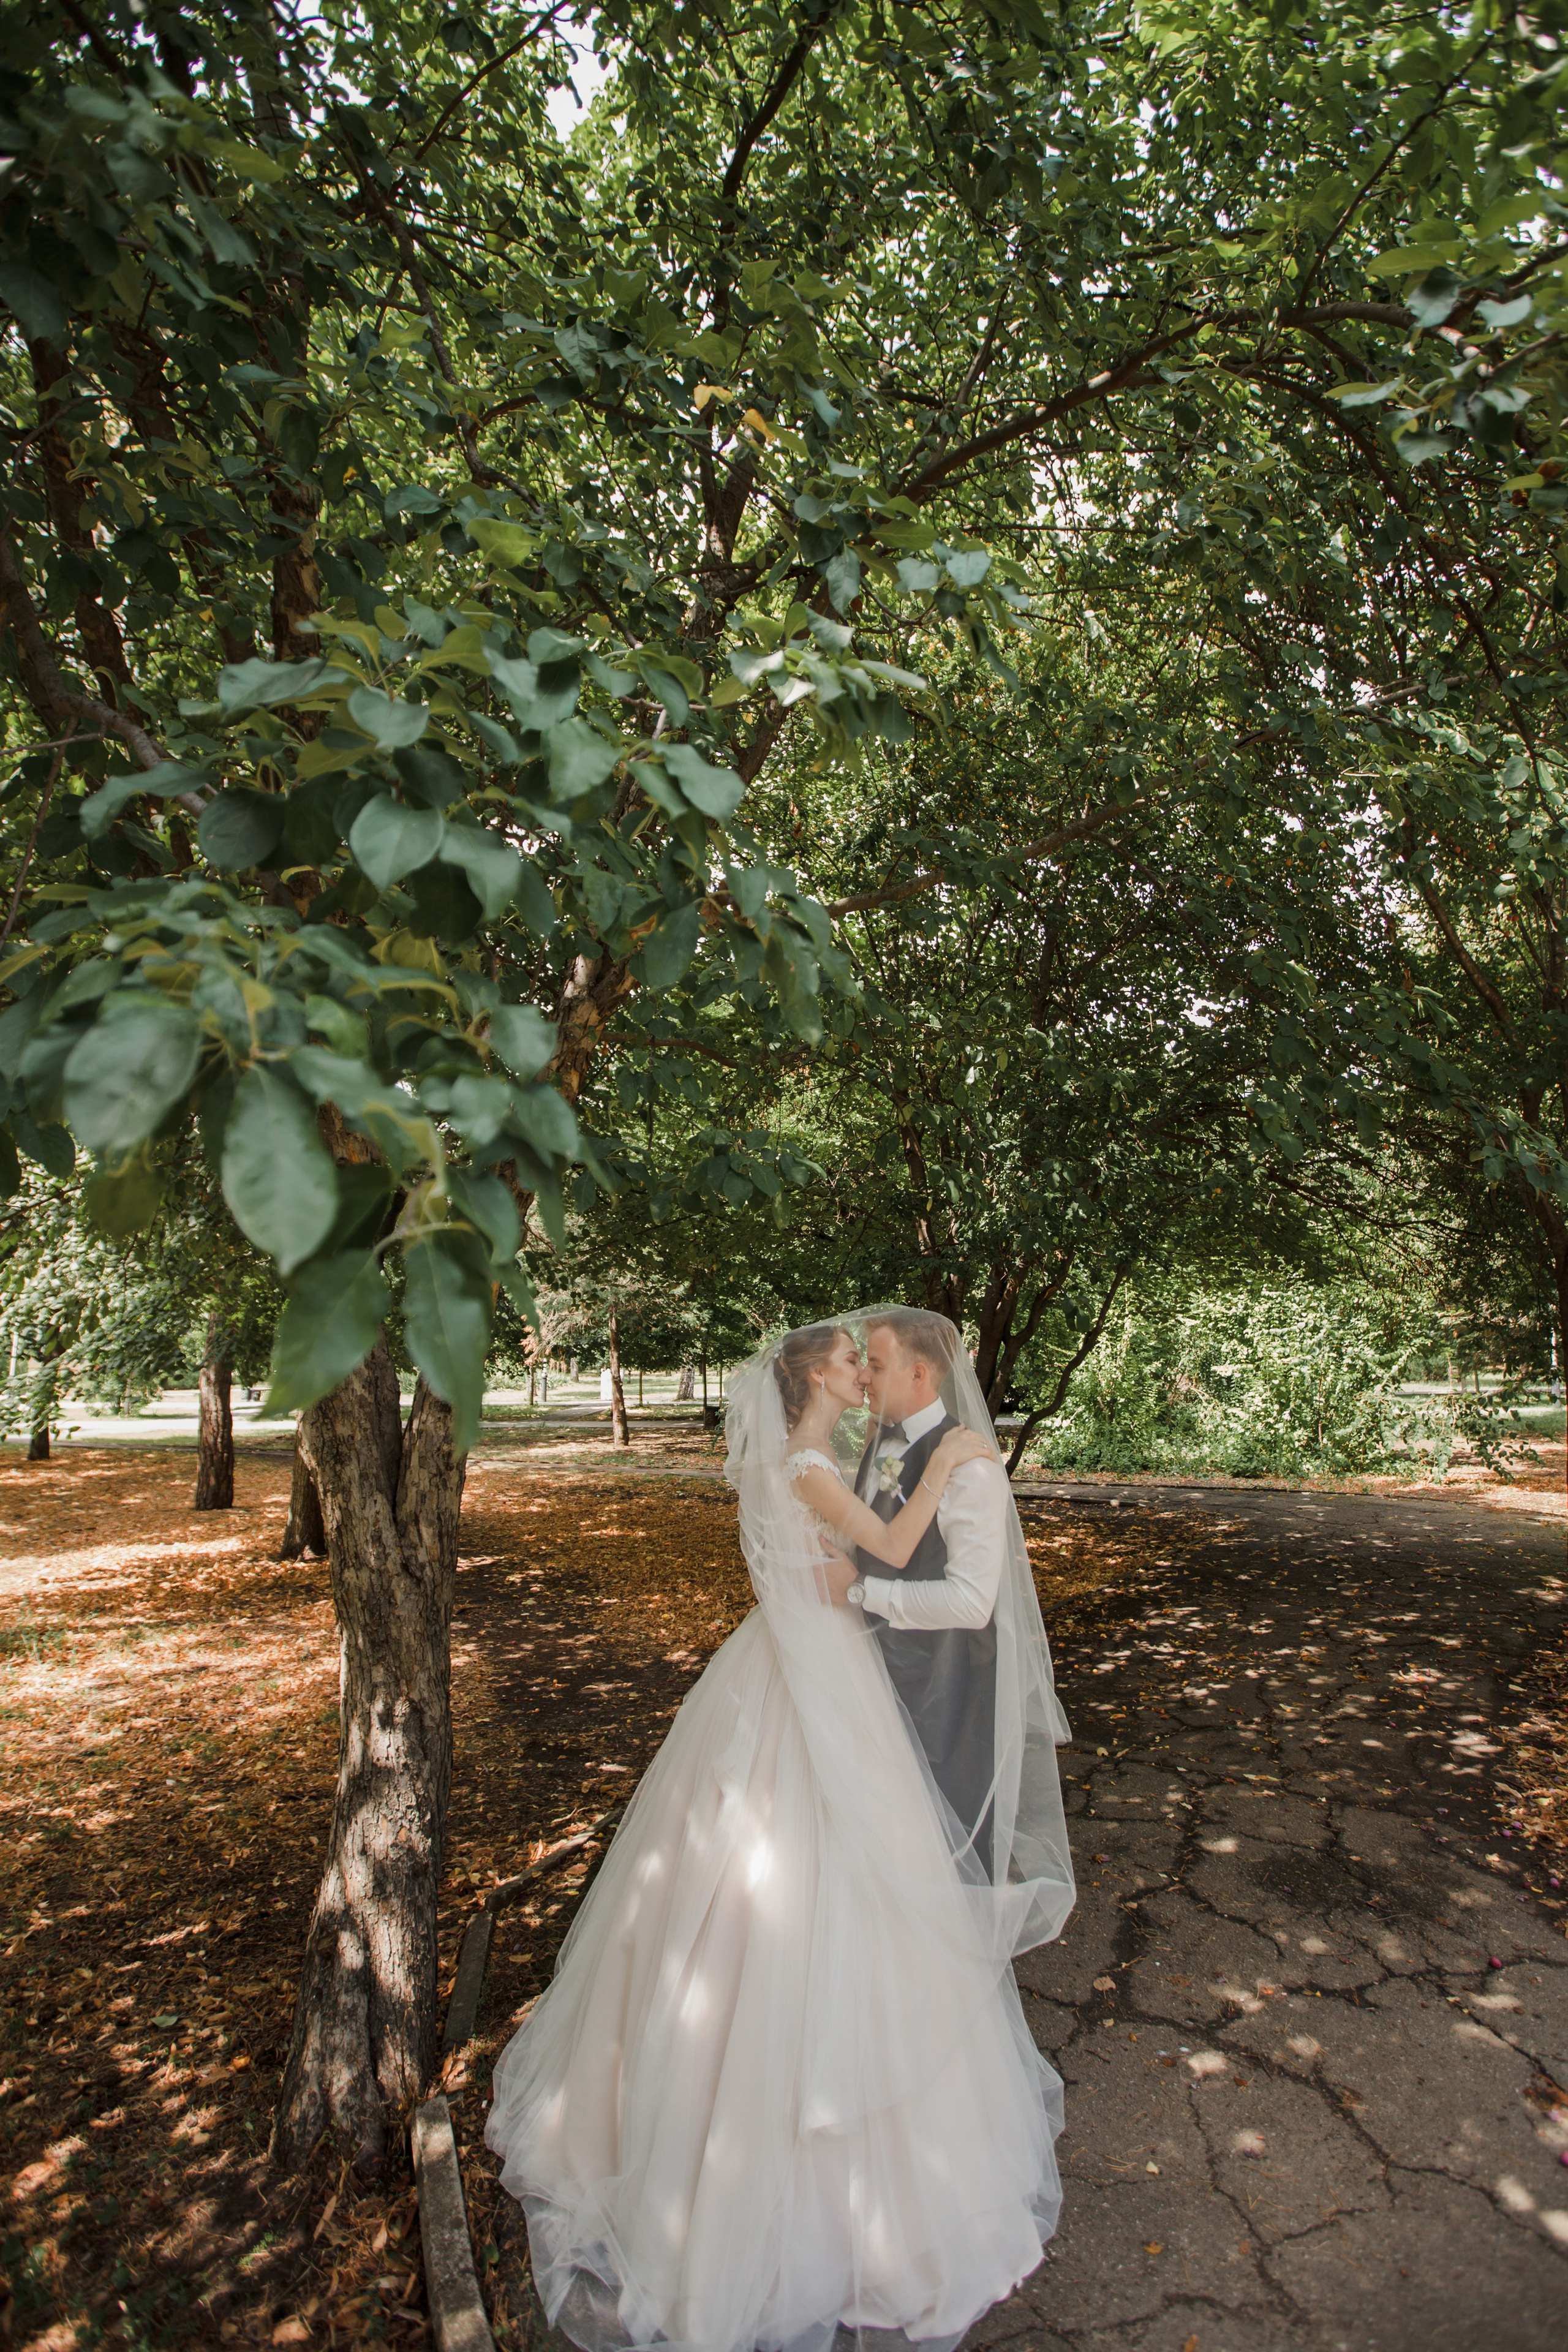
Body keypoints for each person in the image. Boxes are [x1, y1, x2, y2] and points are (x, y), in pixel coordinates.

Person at [485, 1309, 1076, 2352]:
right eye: (853, 1359)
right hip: (813, 1684)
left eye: (871, 1358)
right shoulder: (807, 1465)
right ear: (814, 1380)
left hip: (793, 1669)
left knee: (766, 1882)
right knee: (804, 1879)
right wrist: (958, 1466)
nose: (864, 1369)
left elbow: (868, 1561)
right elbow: (892, 1547)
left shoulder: (808, 1460)